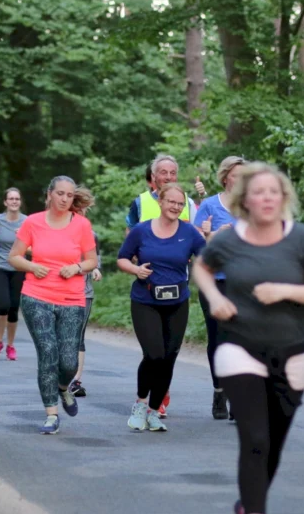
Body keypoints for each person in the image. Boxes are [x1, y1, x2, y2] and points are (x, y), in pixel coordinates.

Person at [194, 162, 304, 514]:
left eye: (274, 191)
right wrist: (216, 297)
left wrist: (285, 291)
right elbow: (202, 269)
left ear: (283, 197)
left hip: (292, 352)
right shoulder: (229, 239)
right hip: (239, 346)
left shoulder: (302, 239)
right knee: (255, 437)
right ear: (245, 199)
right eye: (259, 192)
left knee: (274, 440)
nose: (267, 198)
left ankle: (248, 505)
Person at [8, 177, 98, 435]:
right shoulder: (33, 222)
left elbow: (92, 261)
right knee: (48, 352)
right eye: (60, 193)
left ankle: (62, 387)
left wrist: (77, 267)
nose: (64, 199)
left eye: (69, 195)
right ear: (49, 195)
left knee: (69, 362)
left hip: (72, 299)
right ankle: (51, 414)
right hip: (36, 296)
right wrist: (32, 266)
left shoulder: (82, 225)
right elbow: (14, 256)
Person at [118, 183, 207, 432]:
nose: (176, 207)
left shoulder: (189, 233)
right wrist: (136, 270)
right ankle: (140, 404)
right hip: (146, 301)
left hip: (177, 302)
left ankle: (154, 411)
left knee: (168, 358)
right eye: (171, 202)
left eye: (180, 204)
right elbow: (122, 258)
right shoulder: (141, 231)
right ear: (161, 202)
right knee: (154, 354)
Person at [194, 155, 246, 421]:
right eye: (237, 175)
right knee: (217, 337)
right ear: (226, 178)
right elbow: (194, 244)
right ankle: (219, 390)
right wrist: (212, 235)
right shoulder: (209, 206)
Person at [0, 188, 28, 360]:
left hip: (19, 269)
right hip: (0, 268)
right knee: (3, 305)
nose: (14, 201)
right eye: (11, 198)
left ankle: (10, 345)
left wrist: (23, 239)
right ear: (5, 202)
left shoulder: (27, 221)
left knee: (13, 309)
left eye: (17, 199)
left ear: (20, 202)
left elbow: (35, 245)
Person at [69, 192, 101, 398]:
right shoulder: (58, 232)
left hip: (84, 291)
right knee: (62, 335)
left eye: (83, 210)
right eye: (76, 209)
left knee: (78, 336)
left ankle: (76, 381)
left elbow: (96, 259)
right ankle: (61, 375)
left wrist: (96, 269)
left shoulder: (92, 234)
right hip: (60, 291)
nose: (80, 213)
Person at [125, 154, 205, 230]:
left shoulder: (188, 202)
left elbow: (200, 229)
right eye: (164, 173)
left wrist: (202, 195)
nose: (168, 177)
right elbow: (130, 232)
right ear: (153, 176)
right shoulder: (139, 202)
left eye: (172, 173)